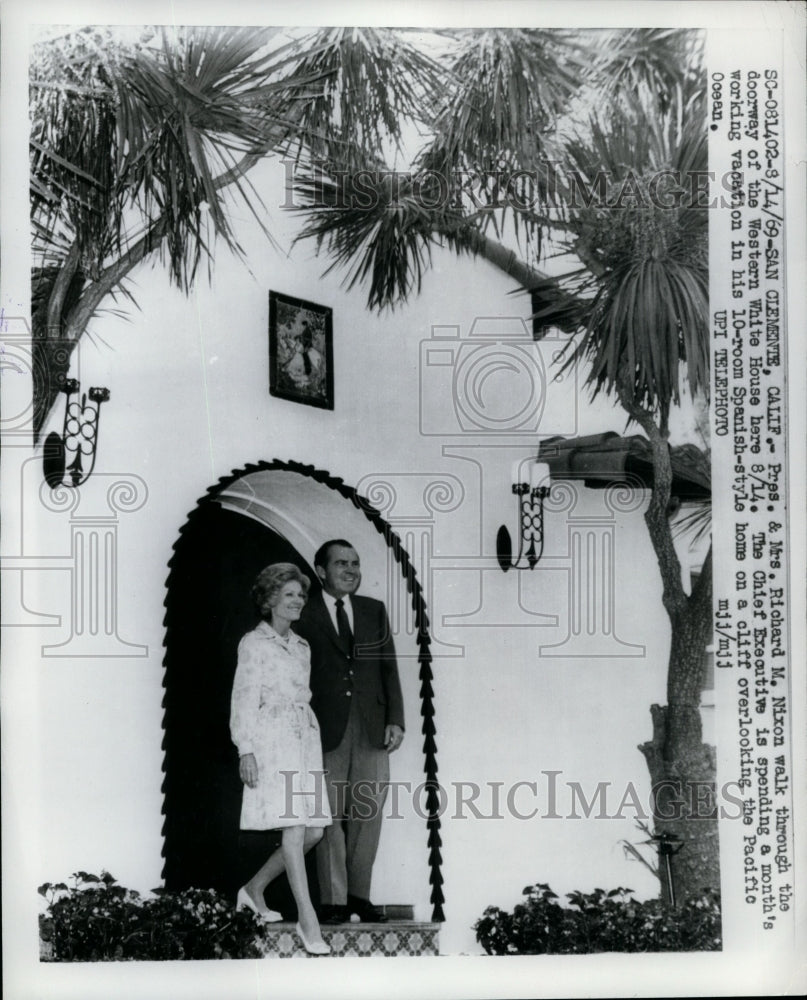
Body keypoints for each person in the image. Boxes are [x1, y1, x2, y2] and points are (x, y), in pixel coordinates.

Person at [296, 539, 404, 925]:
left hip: (372, 726)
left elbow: (388, 666)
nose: (351, 569)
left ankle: (360, 895)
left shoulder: (373, 610)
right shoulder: (301, 612)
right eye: (341, 563)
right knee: (328, 814)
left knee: (368, 812)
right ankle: (335, 900)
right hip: (325, 729)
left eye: (355, 563)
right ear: (321, 571)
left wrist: (396, 718)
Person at [230, 563, 332, 955]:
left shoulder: (302, 646)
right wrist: (246, 750)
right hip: (271, 740)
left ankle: (254, 889)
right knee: (294, 827)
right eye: (288, 594)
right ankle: (309, 921)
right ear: (271, 599)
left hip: (304, 737)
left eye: (300, 595)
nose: (297, 601)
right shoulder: (253, 643)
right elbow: (243, 697)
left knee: (314, 831)